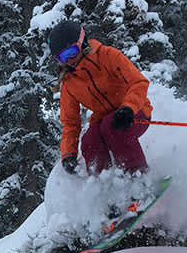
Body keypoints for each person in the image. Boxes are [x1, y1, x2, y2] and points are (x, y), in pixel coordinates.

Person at [49, 20, 153, 176]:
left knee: (111, 126)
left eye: (71, 52)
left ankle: (139, 178)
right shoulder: (69, 83)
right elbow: (70, 122)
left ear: (82, 43)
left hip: (134, 112)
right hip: (105, 121)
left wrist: (128, 108)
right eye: (62, 57)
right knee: (90, 140)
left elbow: (138, 82)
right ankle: (106, 188)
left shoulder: (107, 55)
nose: (68, 60)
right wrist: (68, 153)